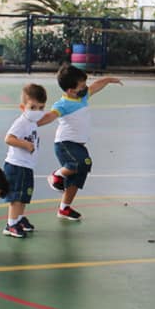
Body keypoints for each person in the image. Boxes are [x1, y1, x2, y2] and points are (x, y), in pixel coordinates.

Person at [39, 64, 122, 222]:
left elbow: (96, 86)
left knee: (79, 174)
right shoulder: (62, 105)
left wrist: (109, 80)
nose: (85, 88)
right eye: (82, 86)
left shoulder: (82, 97)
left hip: (78, 145)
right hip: (65, 144)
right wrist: (33, 123)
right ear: (70, 90)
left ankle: (64, 208)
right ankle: (56, 175)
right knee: (80, 163)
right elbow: (50, 116)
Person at [2, 83, 48, 238]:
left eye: (41, 108)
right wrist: (25, 144)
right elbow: (8, 138)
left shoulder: (32, 123)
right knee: (16, 197)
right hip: (16, 166)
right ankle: (11, 224)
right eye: (33, 107)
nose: (37, 112)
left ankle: (19, 219)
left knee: (23, 196)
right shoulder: (21, 123)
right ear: (23, 107)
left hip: (27, 166)